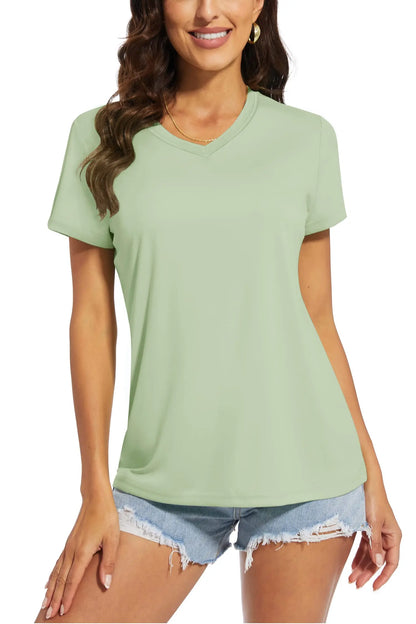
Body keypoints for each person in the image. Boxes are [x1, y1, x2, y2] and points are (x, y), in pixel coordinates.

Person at [35, 0, 402, 622]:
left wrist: (374, 475)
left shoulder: (307, 139)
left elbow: (317, 317)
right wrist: (95, 490)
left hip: (307, 476)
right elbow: (92, 320)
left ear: (259, 4)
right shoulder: (100, 138)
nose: (209, 11)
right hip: (160, 483)